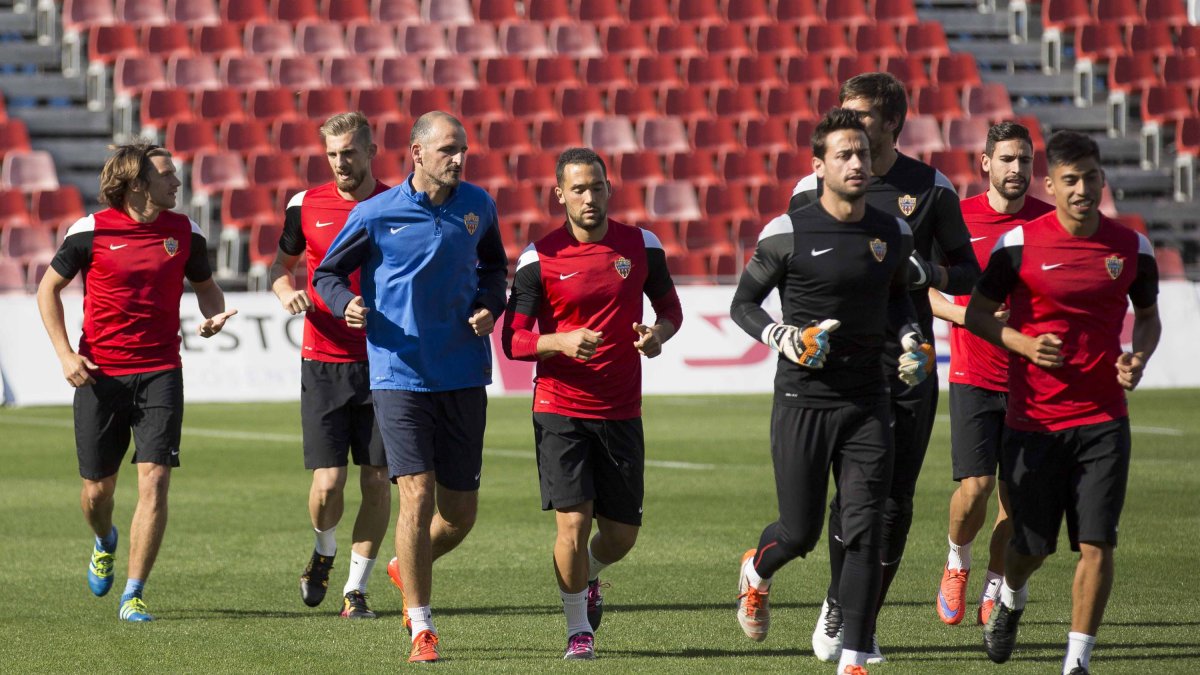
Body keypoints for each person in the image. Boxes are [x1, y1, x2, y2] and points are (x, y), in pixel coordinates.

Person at [731, 108, 931, 675]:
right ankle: (757, 571)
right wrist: (783, 336)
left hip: (869, 402)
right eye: (843, 154)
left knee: (867, 525)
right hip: (803, 402)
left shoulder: (893, 232)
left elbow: (898, 299)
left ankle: (854, 655)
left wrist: (913, 341)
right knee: (800, 533)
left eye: (863, 153)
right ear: (818, 166)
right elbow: (742, 304)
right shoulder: (788, 230)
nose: (856, 163)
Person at [790, 72, 981, 662]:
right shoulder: (811, 184)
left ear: (894, 123)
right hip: (835, 373)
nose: (849, 127)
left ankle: (858, 616)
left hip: (906, 367)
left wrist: (931, 278)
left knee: (894, 501)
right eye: (843, 115)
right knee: (849, 500)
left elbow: (967, 270)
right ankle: (844, 605)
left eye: (862, 117)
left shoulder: (930, 187)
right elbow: (791, 270)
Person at [312, 111, 508, 664]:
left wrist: (489, 305)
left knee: (460, 514)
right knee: (415, 496)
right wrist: (343, 303)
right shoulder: (376, 213)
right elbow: (326, 273)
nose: (459, 158)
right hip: (398, 376)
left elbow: (496, 270)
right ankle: (421, 624)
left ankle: (404, 564)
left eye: (463, 148)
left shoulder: (478, 205)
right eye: (448, 149)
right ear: (417, 154)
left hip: (464, 374)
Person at [965, 131, 1160, 675]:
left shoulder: (1131, 248)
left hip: (1103, 422)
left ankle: (1077, 660)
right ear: (1050, 186)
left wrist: (1137, 357)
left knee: (1097, 544)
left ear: (1102, 180)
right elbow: (979, 314)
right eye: (1070, 180)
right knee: (1031, 549)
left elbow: (1146, 318)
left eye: (1091, 178)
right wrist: (1023, 344)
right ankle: (1011, 597)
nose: (1081, 189)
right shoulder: (1019, 246)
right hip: (1034, 424)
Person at [36, 143, 236, 622]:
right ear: (138, 183)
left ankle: (134, 593)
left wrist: (214, 317)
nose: (177, 183)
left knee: (156, 482)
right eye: (167, 174)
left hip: (162, 371)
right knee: (97, 493)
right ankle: (105, 539)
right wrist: (65, 354)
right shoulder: (89, 231)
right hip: (100, 375)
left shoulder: (185, 232)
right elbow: (48, 290)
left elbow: (207, 288)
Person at [500, 147, 683, 660]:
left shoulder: (640, 245)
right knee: (573, 525)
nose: (589, 197)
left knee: (621, 536)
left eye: (596, 187)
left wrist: (658, 334)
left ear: (609, 189)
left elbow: (669, 307)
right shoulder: (541, 258)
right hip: (559, 406)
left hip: (621, 410)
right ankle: (578, 629)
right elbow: (512, 340)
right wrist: (559, 341)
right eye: (577, 188)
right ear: (559, 194)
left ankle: (590, 577)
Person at [929, 121, 1054, 627]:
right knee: (976, 487)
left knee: (1016, 502)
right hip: (973, 375)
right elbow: (926, 292)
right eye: (1007, 159)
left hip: (1033, 384)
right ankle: (957, 560)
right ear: (985, 163)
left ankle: (996, 579)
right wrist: (972, 317)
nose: (1017, 169)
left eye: (1024, 160)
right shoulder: (957, 221)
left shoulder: (1050, 222)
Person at [269, 112, 392, 619]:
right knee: (327, 485)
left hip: (386, 362)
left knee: (378, 480)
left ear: (370, 150)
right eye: (333, 154)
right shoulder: (305, 204)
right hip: (323, 360)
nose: (341, 163)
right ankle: (323, 551)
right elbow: (282, 265)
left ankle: (355, 589)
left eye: (350, 152)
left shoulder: (396, 203)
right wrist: (284, 291)